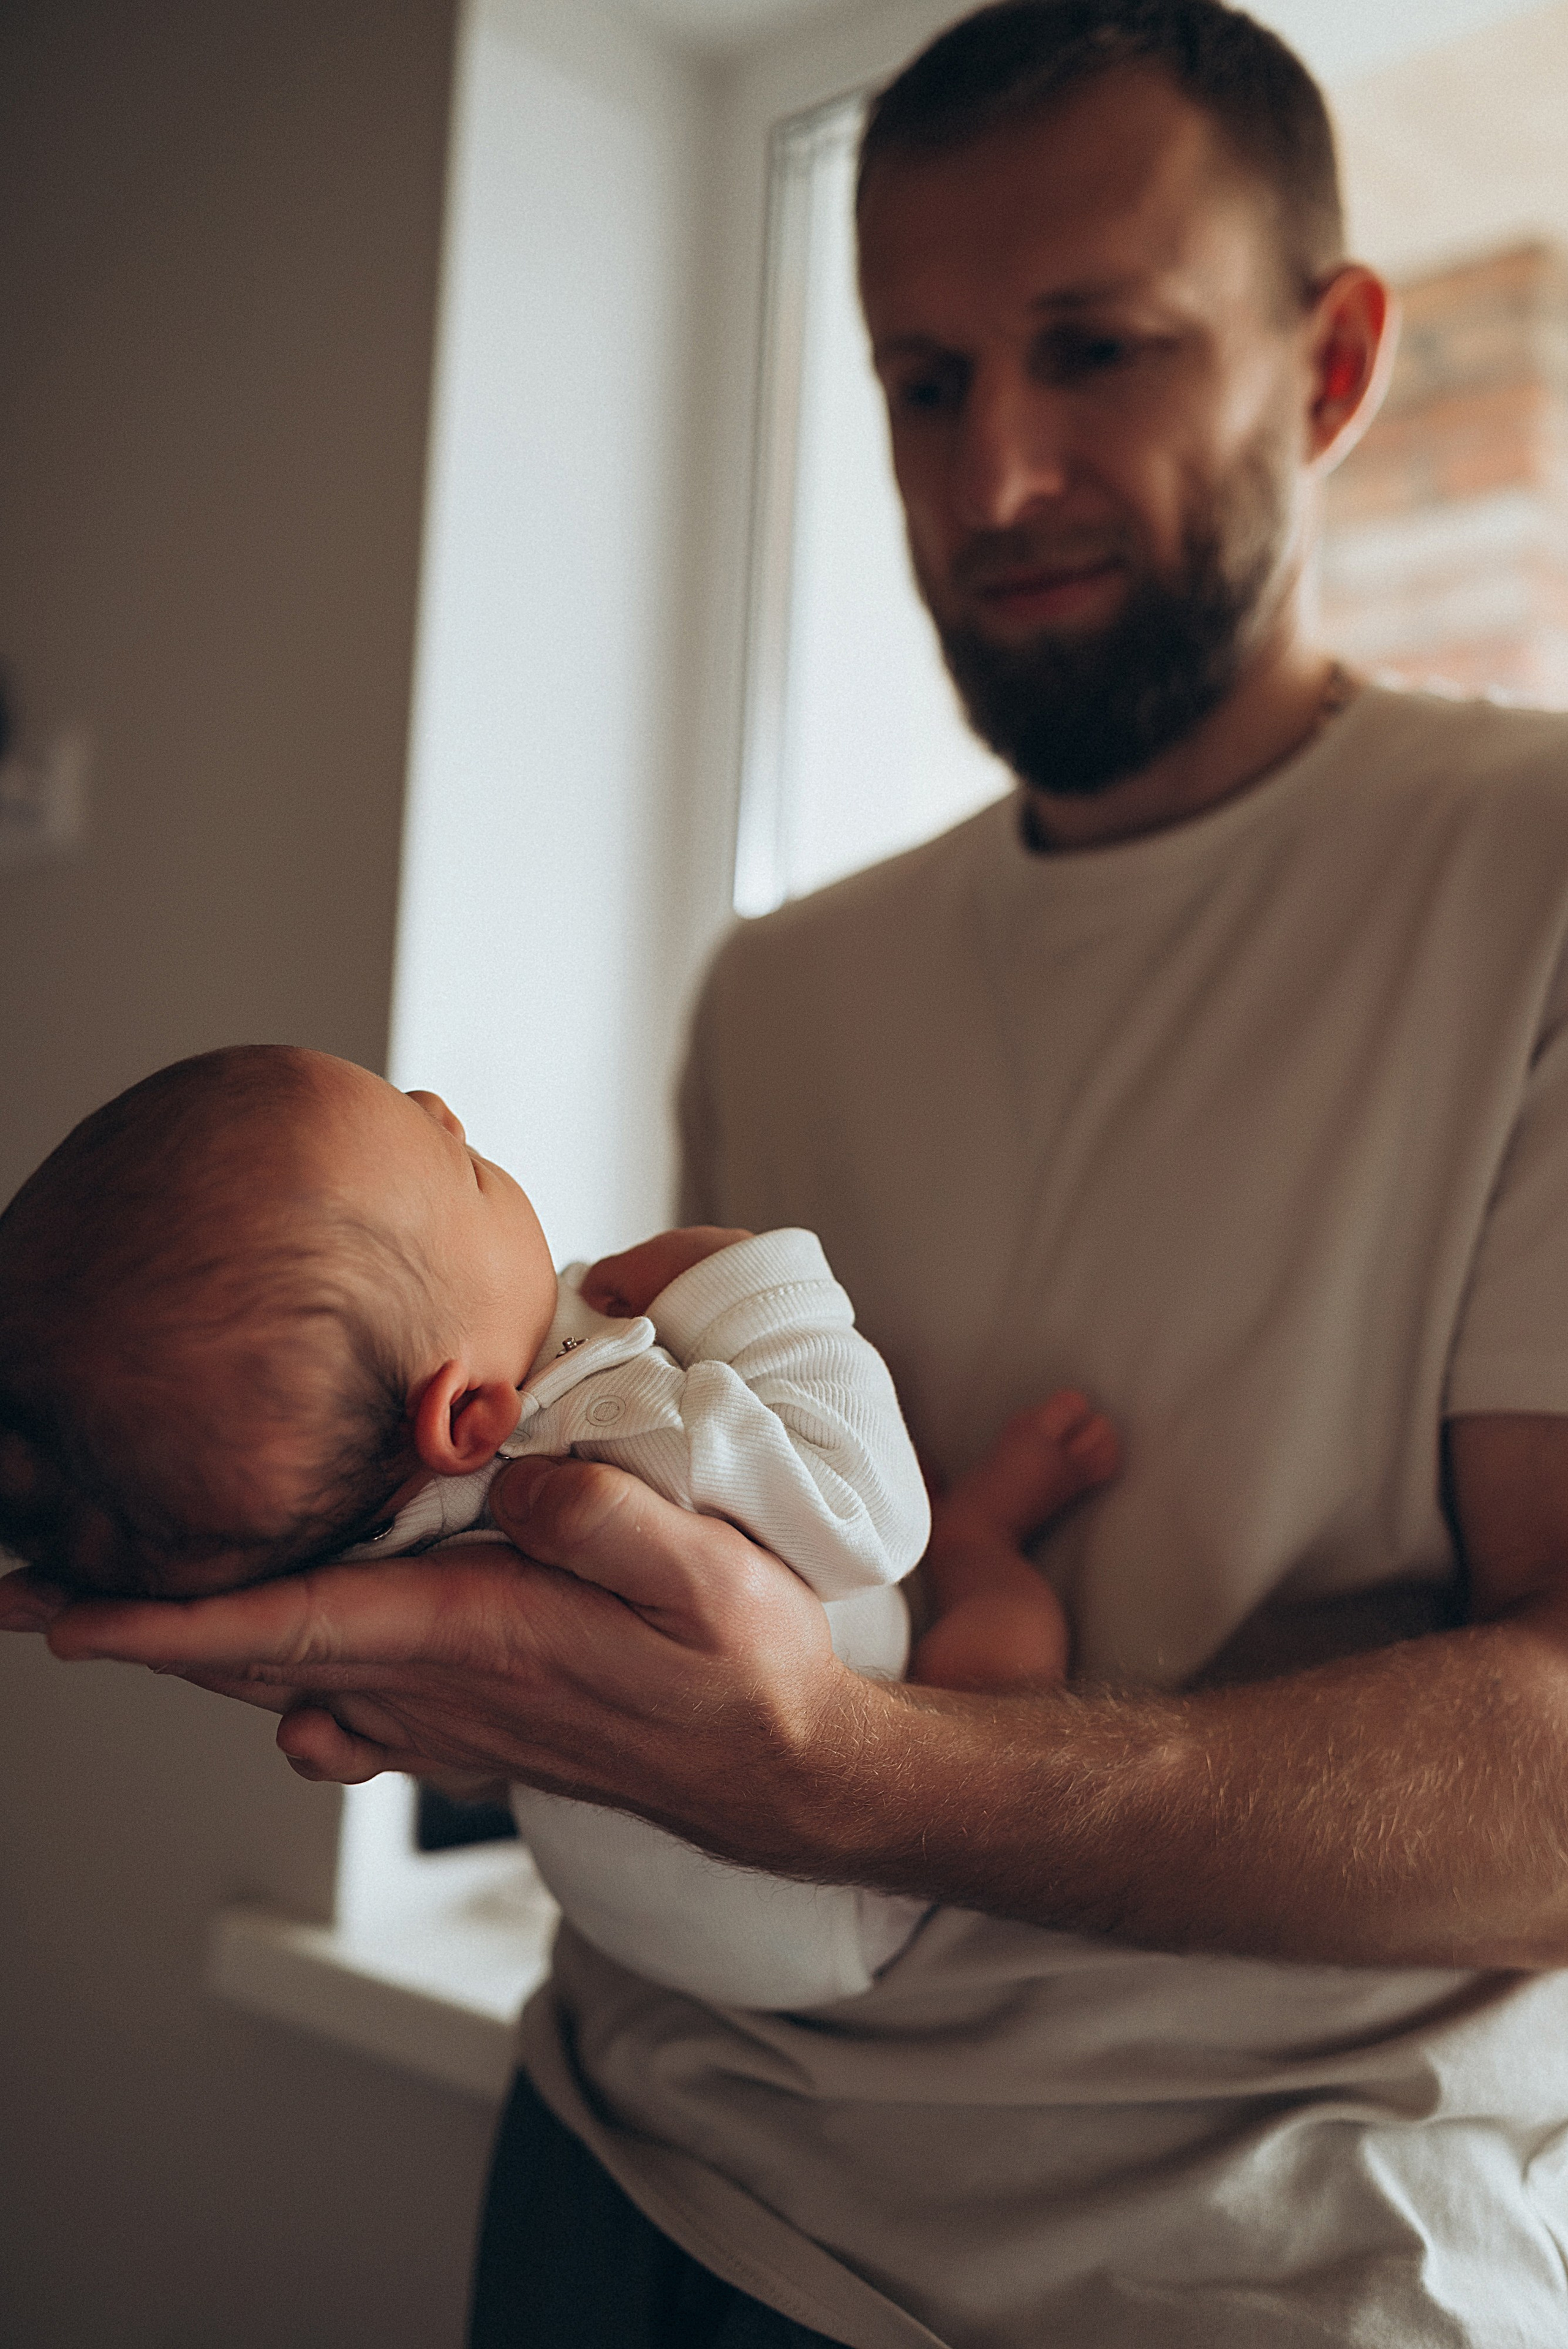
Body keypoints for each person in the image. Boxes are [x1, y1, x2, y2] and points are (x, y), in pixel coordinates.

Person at [10, 0, 1568, 2340]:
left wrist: (851, 1776)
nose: (994, 475)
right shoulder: (787, 980)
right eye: (923, 382)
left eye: (1097, 349)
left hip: (1219, 2282)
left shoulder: (1533, 871)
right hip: (624, 2167)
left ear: (1334, 362)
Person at [0, 1042, 1109, 2014]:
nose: (441, 1109)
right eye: (466, 1170)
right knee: (997, 1660)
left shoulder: (337, 1550)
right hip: (848, 1906)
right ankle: (987, 1539)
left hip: (626, 1922)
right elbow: (871, 1517)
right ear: (468, 1416)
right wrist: (741, 1282)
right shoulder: (616, 1425)